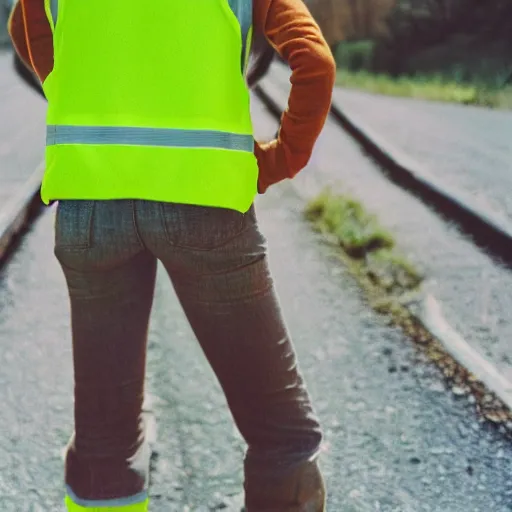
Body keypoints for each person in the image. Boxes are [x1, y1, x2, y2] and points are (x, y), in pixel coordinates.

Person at [8, 0, 335, 510]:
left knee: (105, 445)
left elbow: (25, 27)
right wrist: (277, 160)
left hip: (91, 204)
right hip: (207, 207)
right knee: (282, 438)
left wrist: (84, 104)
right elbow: (314, 61)